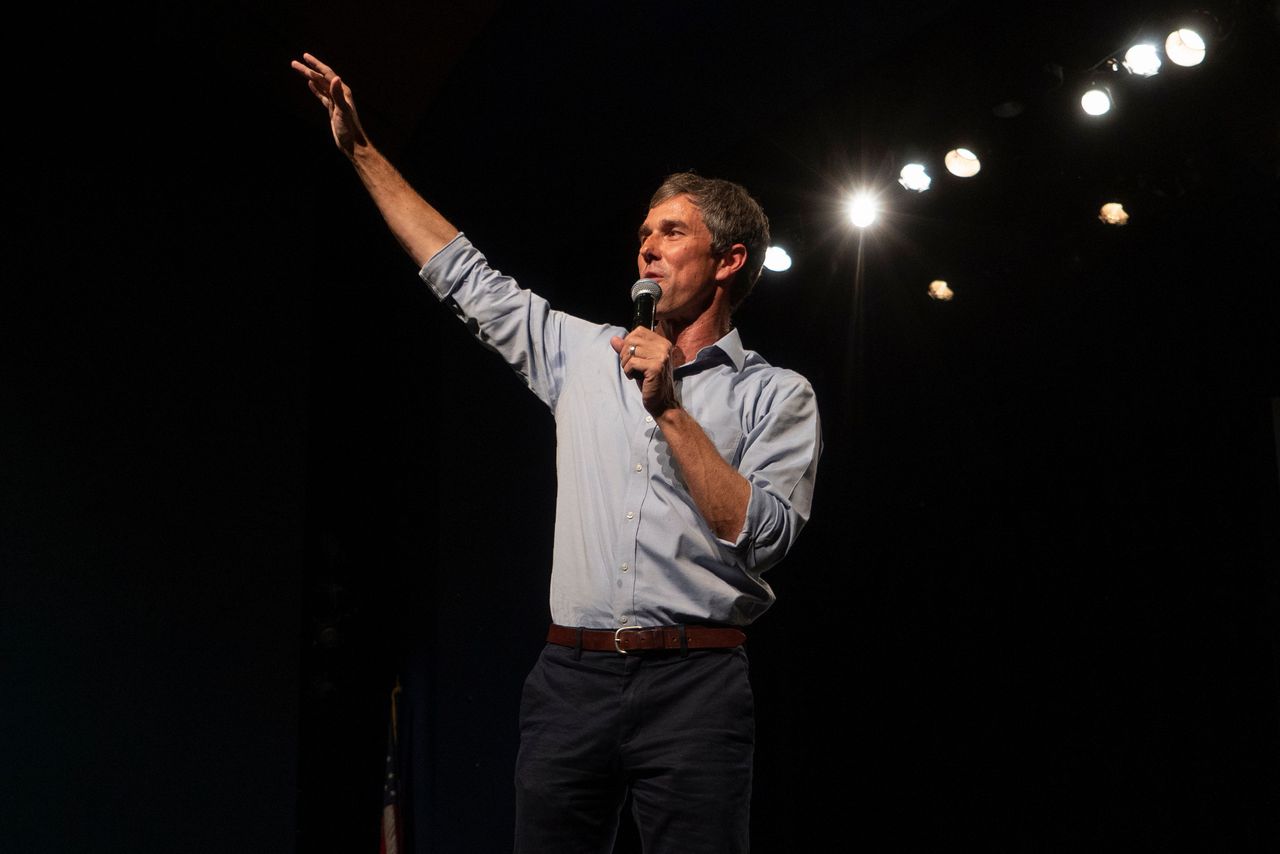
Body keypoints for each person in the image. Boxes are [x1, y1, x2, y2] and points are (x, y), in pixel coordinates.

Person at [292, 52, 822, 853]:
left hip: (697, 682)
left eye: (671, 232)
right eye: (643, 233)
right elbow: (462, 273)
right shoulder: (583, 353)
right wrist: (360, 149)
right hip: (571, 681)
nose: (646, 247)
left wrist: (670, 410)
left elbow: (765, 537)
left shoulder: (776, 396)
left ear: (729, 261)